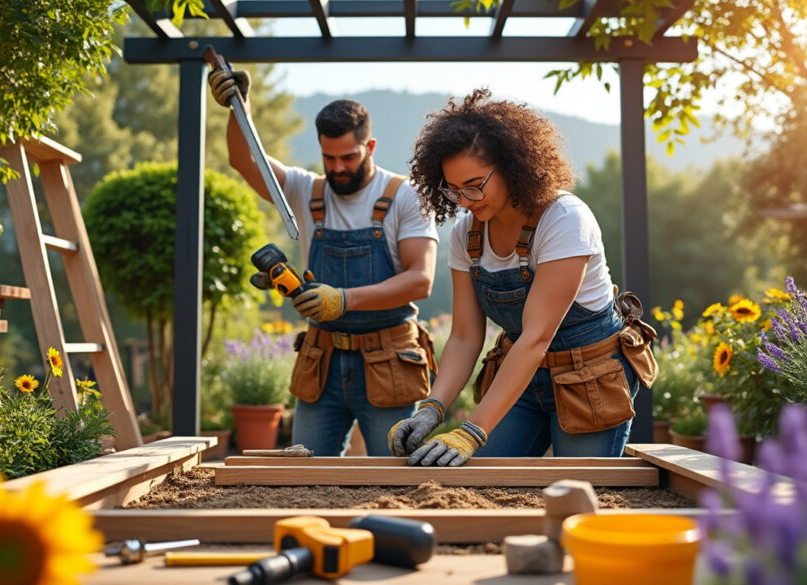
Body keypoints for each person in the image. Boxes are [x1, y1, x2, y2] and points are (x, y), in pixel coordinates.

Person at [388, 89, 657, 466]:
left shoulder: (564, 220)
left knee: (577, 492)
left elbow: (535, 337)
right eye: (454, 189)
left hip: (591, 380)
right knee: (484, 482)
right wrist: (432, 408)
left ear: (512, 167)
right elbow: (465, 336)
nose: (464, 200)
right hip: (521, 380)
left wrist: (472, 430)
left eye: (475, 184)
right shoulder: (467, 234)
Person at [208, 68, 439, 456]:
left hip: (388, 361)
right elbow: (245, 160)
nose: (337, 168)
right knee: (303, 474)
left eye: (348, 157)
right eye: (328, 157)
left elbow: (421, 280)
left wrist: (342, 299)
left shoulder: (404, 197)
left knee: (393, 480)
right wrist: (237, 108)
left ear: (371, 146)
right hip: (322, 361)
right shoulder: (306, 190)